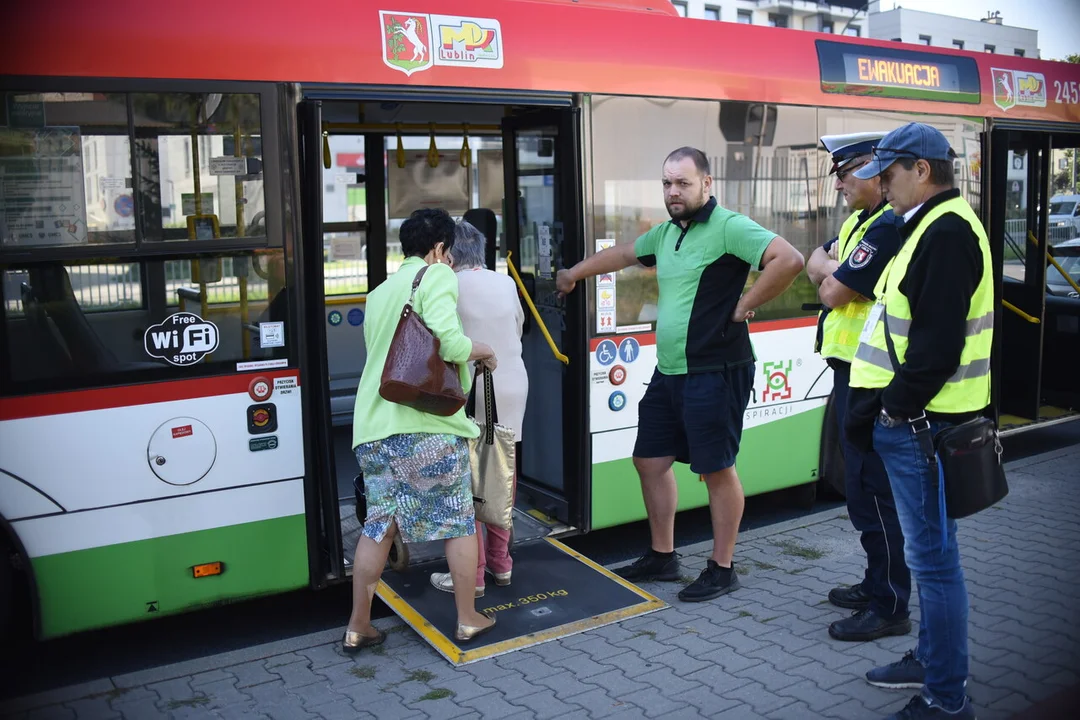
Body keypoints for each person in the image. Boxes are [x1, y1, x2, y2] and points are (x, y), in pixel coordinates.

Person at [556, 146, 804, 602]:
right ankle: (663, 556)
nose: (673, 191)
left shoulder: (728, 226)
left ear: (706, 184)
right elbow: (626, 254)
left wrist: (746, 305)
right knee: (649, 460)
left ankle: (722, 567)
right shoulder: (668, 233)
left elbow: (788, 259)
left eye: (683, 183)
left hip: (716, 368)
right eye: (667, 183)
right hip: (671, 371)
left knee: (716, 470)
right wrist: (574, 273)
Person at [847, 123, 992, 720]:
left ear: (922, 170)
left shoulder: (948, 232)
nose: (881, 183)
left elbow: (936, 346)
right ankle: (930, 660)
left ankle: (945, 697)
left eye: (887, 173)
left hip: (922, 426)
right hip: (919, 424)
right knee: (931, 556)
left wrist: (893, 407)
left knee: (932, 562)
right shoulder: (930, 225)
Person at [344, 208, 499, 652]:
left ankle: (359, 626)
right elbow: (450, 343)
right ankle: (467, 618)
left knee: (379, 526)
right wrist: (484, 351)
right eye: (447, 251)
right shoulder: (437, 276)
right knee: (458, 522)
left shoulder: (379, 292)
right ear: (438, 248)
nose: (448, 259)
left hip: (373, 427)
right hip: (424, 426)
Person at [806, 132, 912, 643]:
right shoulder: (859, 223)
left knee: (875, 490)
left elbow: (831, 289)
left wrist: (831, 273)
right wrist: (832, 269)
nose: (841, 185)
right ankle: (876, 583)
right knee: (859, 489)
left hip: (873, 376)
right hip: (851, 371)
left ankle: (891, 604)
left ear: (873, 170)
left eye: (846, 174)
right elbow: (814, 263)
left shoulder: (888, 226)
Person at [429, 220, 529, 598]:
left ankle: (473, 573)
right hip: (511, 385)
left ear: (447, 252)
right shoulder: (504, 281)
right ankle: (502, 563)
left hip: (468, 388)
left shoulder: (446, 283)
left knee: (464, 479)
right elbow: (516, 329)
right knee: (502, 471)